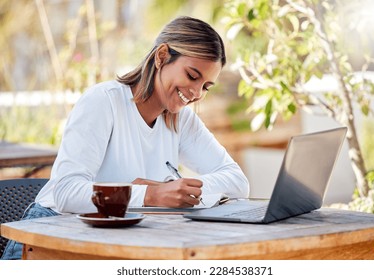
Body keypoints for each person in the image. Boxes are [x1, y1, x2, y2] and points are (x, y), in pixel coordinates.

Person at [1, 16, 249, 260]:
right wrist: (150, 195)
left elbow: (238, 182)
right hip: (46, 238)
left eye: (206, 86)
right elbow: (67, 192)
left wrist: (175, 191)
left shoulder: (181, 119)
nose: (196, 93)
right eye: (192, 76)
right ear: (161, 56)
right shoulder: (104, 101)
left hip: (109, 242)